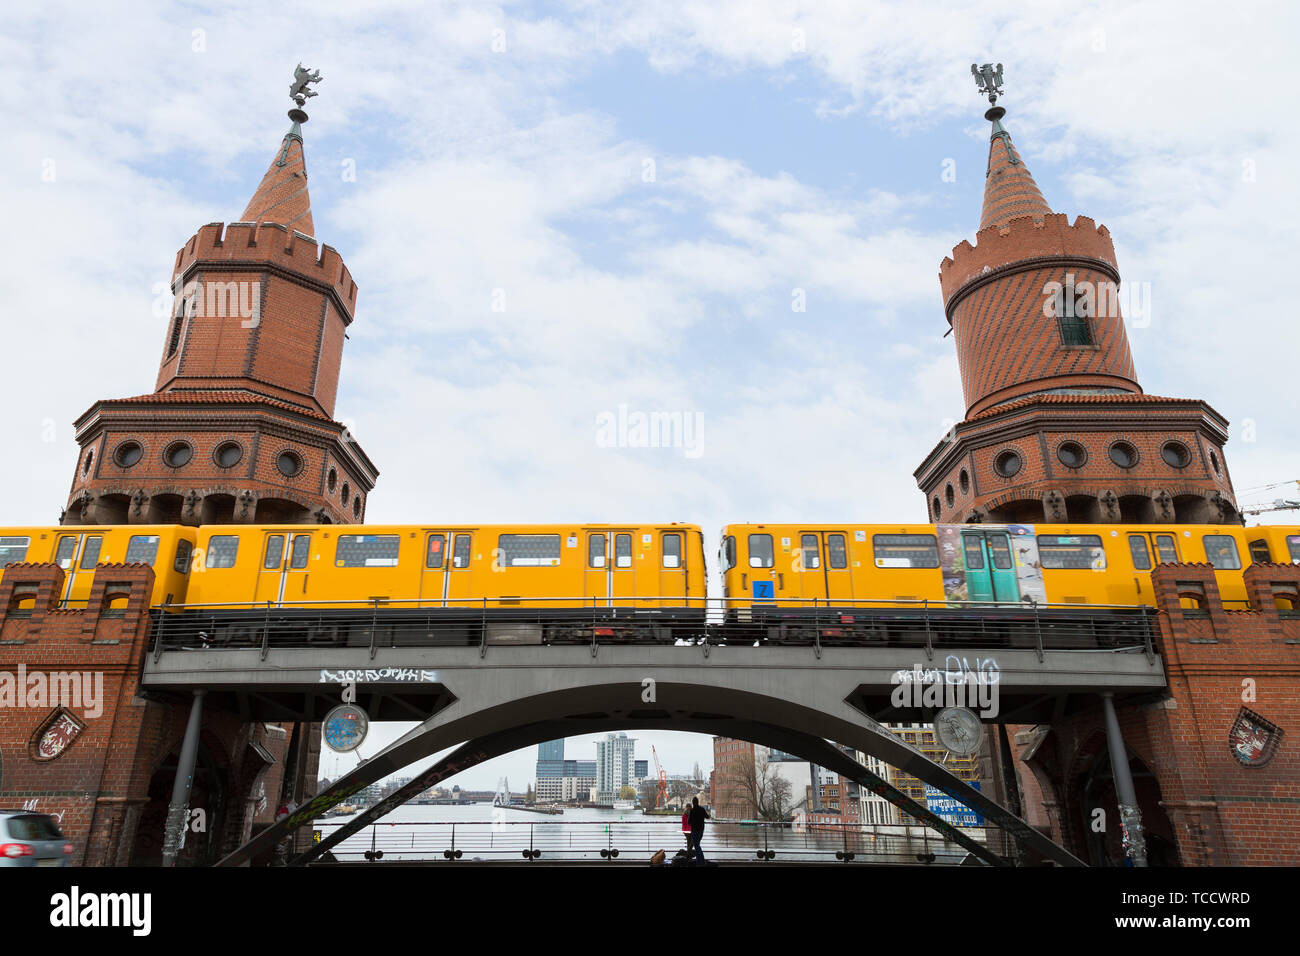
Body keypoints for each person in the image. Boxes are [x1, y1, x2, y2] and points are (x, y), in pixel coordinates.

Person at [688, 796, 710, 865]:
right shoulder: (702, 809)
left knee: (696, 846)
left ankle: (701, 861)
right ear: (698, 802)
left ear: (693, 803)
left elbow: (689, 822)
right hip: (701, 830)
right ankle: (700, 861)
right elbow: (707, 817)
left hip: (694, 830)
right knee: (697, 845)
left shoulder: (692, 810)